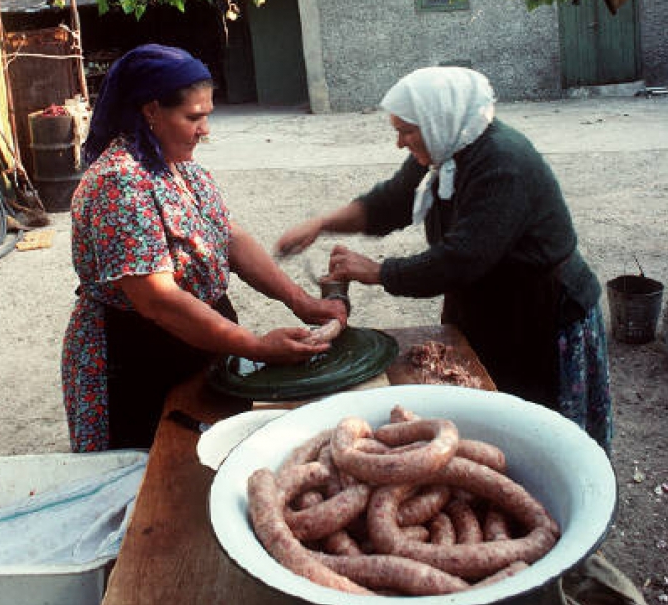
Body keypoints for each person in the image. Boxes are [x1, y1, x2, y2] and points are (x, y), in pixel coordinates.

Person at [276, 65, 613, 455]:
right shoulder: (446, 148)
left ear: (438, 119)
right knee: (488, 414)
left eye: (406, 131)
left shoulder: (503, 163)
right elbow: (390, 202)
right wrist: (322, 224)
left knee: (536, 427)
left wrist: (377, 271)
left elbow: (460, 260)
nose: (400, 143)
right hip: (489, 305)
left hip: (541, 310)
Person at [62, 43, 348, 453]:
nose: (205, 129)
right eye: (193, 117)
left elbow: (229, 238)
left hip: (194, 344)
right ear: (151, 111)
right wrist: (254, 345)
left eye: (207, 115)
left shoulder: (182, 168)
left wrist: (299, 299)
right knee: (157, 477)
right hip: (139, 357)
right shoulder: (119, 182)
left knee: (209, 461)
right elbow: (158, 301)